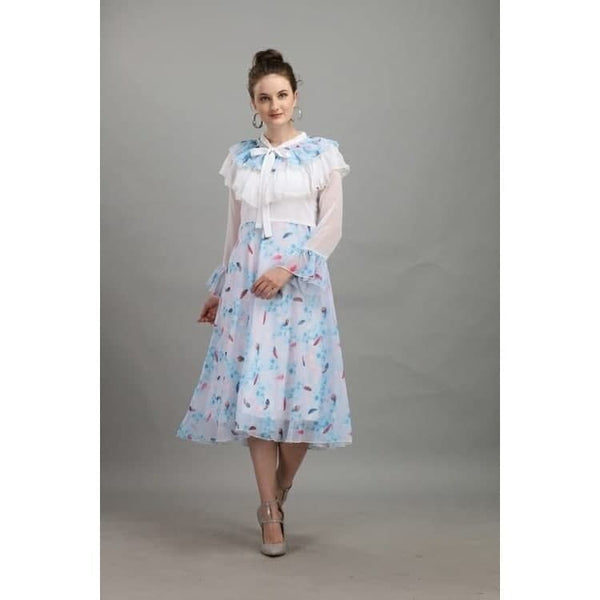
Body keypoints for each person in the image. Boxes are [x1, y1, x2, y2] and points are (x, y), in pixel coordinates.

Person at [176, 48, 353, 557]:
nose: (274, 105)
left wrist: (287, 269)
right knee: (256, 393)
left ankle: (281, 487)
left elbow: (331, 228)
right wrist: (219, 288)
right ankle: (268, 511)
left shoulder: (321, 154)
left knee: (303, 394)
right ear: (252, 103)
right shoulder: (242, 159)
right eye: (263, 97)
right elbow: (234, 231)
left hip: (301, 284)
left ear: (295, 97)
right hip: (247, 285)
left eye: (282, 95)